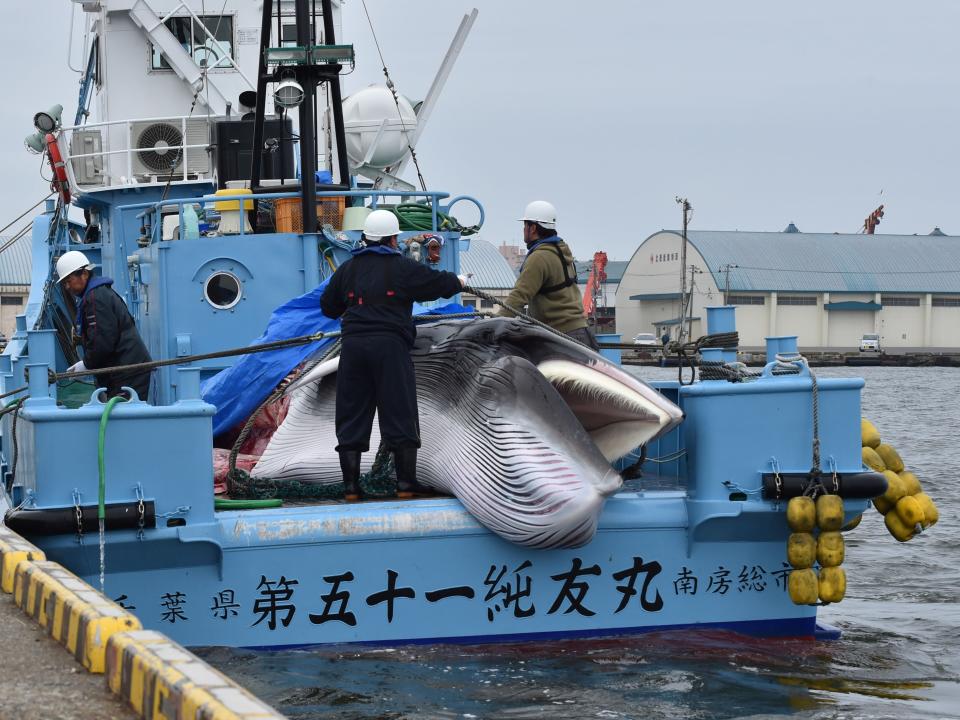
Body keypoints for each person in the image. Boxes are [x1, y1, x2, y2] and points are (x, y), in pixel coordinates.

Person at [320, 209, 465, 501]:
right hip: (390, 347)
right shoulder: (401, 267)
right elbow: (437, 284)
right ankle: (405, 485)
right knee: (399, 411)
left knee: (352, 412)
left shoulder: (348, 269)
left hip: (354, 348)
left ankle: (350, 488)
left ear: (366, 238)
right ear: (392, 239)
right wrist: (459, 281)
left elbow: (328, 306)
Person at [497, 200, 599, 350]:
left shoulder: (539, 257)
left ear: (532, 228)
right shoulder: (560, 251)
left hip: (562, 335)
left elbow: (518, 297)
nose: (523, 229)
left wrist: (492, 326)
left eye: (525, 225)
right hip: (581, 333)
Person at [56, 250, 152, 400]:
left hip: (128, 371)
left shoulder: (95, 298)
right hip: (125, 370)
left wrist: (86, 364)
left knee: (124, 421)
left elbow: (102, 340)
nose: (67, 287)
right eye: (65, 283)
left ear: (84, 274)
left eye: (69, 281)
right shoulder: (97, 294)